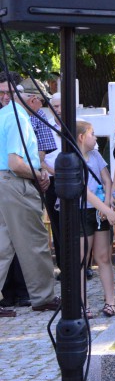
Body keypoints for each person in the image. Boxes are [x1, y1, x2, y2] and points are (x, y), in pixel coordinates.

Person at [0, 71, 60, 317]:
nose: (4, 97)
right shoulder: (17, 117)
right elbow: (15, 163)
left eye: (7, 92)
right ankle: (43, 297)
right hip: (14, 183)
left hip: (4, 183)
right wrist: (39, 174)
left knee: (3, 246)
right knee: (35, 242)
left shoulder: (3, 115)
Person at [71, 120, 115, 317]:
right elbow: (83, 190)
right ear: (81, 137)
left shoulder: (96, 155)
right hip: (82, 211)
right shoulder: (73, 159)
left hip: (99, 211)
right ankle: (83, 303)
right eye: (92, 134)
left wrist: (106, 204)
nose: (95, 137)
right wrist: (105, 209)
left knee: (104, 257)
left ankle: (111, 302)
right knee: (82, 259)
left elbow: (106, 180)